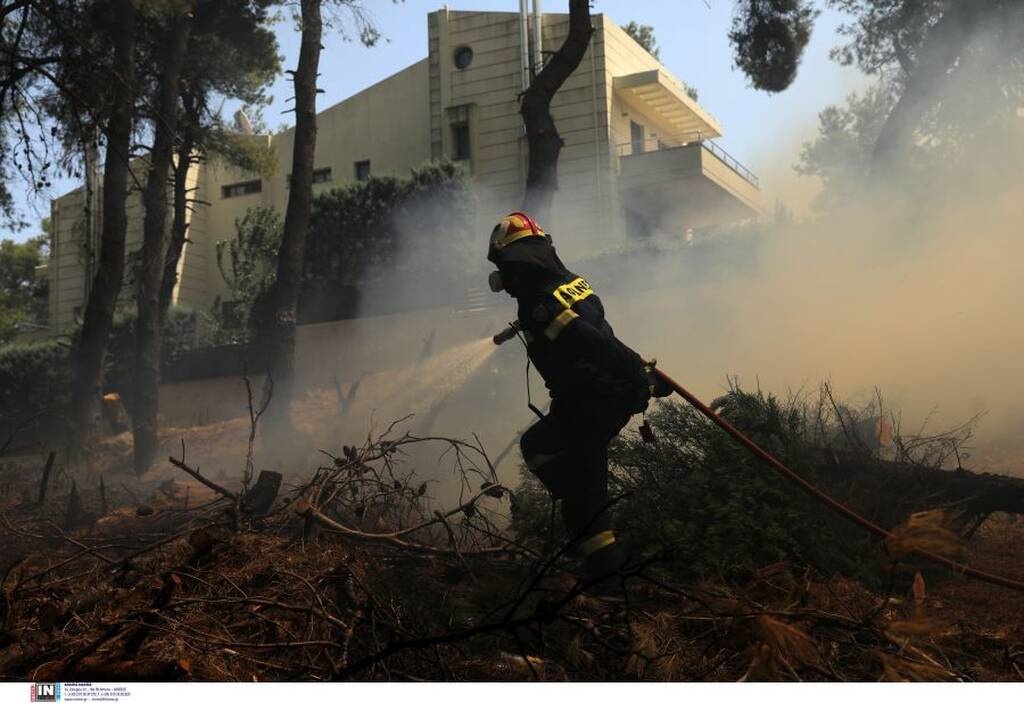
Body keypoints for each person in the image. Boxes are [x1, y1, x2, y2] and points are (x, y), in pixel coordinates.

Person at [487, 211, 658, 582]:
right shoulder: (571, 282)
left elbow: (591, 341)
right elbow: (601, 335)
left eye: (504, 267)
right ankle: (604, 576)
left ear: (513, 262)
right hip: (599, 397)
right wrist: (639, 371)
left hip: (591, 401)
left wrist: (635, 371)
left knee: (538, 446)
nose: (505, 280)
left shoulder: (540, 300)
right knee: (588, 501)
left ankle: (605, 569)